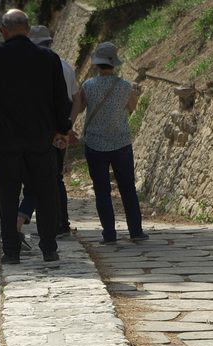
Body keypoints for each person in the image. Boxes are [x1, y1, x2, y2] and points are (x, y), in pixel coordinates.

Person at [0, 9, 72, 264]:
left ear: (3, 30)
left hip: (4, 139)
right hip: (40, 138)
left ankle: (11, 251)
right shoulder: (48, 58)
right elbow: (60, 100)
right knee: (45, 192)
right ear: (29, 30)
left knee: (8, 194)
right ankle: (49, 249)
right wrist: (62, 129)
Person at [72, 42, 148, 244]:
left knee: (102, 190)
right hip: (121, 142)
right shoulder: (124, 85)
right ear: (114, 63)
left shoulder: (88, 86)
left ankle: (109, 234)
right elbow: (132, 107)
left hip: (95, 144)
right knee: (128, 188)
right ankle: (136, 231)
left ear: (97, 64)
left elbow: (79, 109)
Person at [21, 25, 79, 239]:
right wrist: (68, 126)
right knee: (56, 178)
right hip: (61, 131)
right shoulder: (66, 66)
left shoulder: (33, 66)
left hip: (41, 131)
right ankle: (61, 224)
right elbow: (77, 99)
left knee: (41, 179)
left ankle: (49, 228)